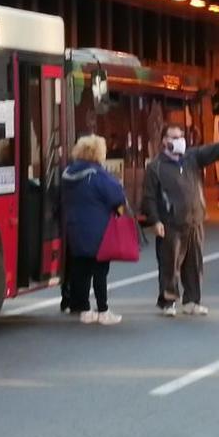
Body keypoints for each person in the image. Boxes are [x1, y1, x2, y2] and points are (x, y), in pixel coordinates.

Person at [144, 123, 219, 317]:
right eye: (173, 137)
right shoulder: (155, 167)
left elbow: (211, 151)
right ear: (164, 141)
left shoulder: (191, 158)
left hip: (194, 220)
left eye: (180, 136)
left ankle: (192, 301)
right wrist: (155, 221)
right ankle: (168, 301)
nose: (178, 141)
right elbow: (149, 197)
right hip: (171, 222)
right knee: (169, 264)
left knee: (194, 263)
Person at [61, 134, 127, 326]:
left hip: (74, 229)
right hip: (99, 230)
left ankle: (84, 309)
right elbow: (117, 198)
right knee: (100, 271)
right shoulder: (99, 175)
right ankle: (103, 310)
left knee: (80, 270)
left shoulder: (68, 173)